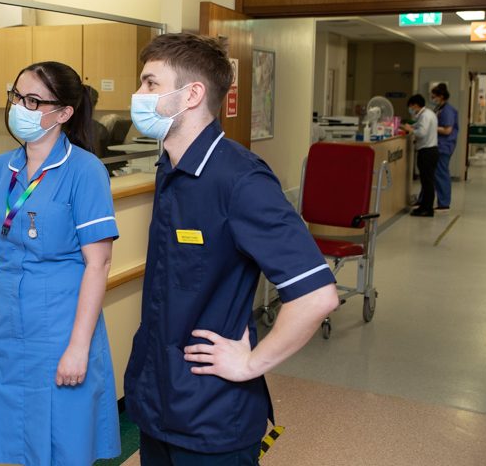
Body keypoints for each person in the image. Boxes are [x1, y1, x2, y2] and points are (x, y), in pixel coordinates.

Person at [123, 33, 339, 465]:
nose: (138, 95)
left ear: (193, 94)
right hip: (157, 402)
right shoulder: (172, 167)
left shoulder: (239, 180)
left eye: (150, 84)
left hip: (211, 419)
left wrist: (251, 364)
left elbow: (318, 295)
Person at [0, 61, 121, 466]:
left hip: (59, 332)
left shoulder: (85, 171)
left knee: (58, 450)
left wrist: (79, 347)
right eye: (17, 97)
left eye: (33, 100)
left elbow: (98, 264)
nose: (19, 108)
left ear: (63, 114)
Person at [402, 94, 439, 217]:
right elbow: (419, 127)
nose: (411, 109)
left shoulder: (425, 116)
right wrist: (411, 127)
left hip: (427, 152)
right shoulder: (428, 114)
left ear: (416, 105)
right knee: (426, 181)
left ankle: (427, 209)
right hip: (430, 150)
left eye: (411, 107)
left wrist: (411, 130)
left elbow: (422, 133)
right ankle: (424, 206)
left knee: (427, 182)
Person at [430, 83, 458, 210]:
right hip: (438, 145)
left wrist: (431, 128)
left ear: (441, 96)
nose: (432, 99)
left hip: (444, 146)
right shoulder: (439, 108)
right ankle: (439, 200)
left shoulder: (448, 110)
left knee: (441, 173)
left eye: (434, 97)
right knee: (436, 173)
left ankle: (444, 203)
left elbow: (447, 130)